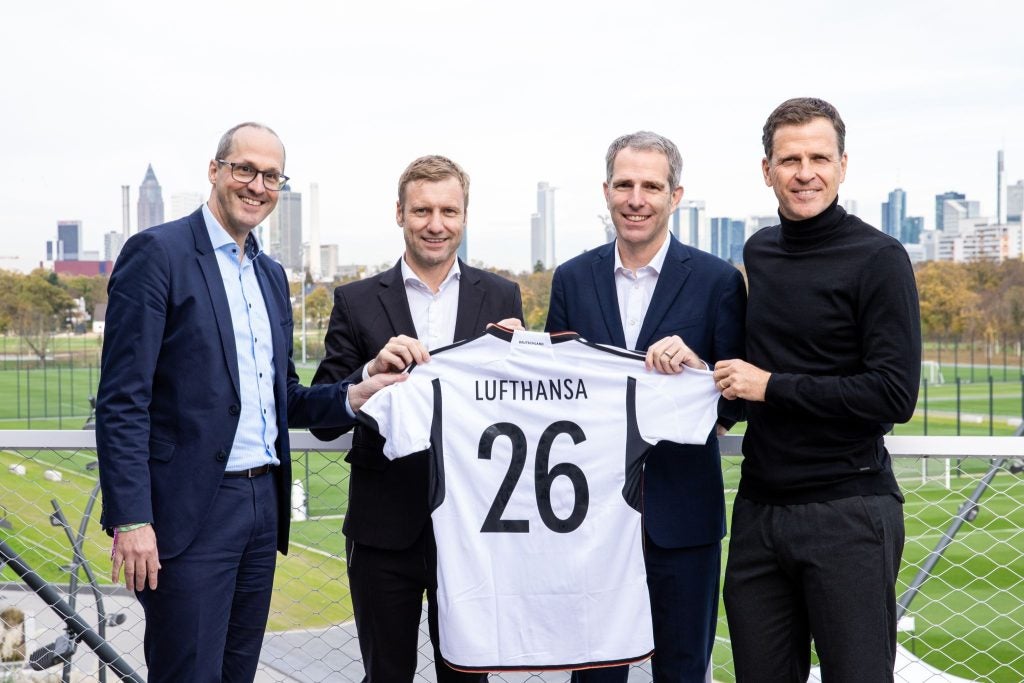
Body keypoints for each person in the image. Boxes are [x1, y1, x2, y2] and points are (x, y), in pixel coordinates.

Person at [96, 122, 401, 683]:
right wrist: (132, 517)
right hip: (190, 513)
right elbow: (121, 400)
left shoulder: (269, 274)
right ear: (215, 171)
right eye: (245, 169)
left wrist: (358, 389)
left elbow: (284, 397)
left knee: (238, 674)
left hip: (262, 508)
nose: (257, 185)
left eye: (271, 176)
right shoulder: (157, 254)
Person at [713, 97, 921, 682]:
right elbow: (755, 363)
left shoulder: (879, 258)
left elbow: (892, 396)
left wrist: (771, 388)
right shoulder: (760, 251)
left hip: (848, 512)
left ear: (843, 165)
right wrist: (713, 386)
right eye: (790, 159)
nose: (805, 172)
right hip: (758, 511)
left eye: (819, 157)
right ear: (767, 170)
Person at [311, 155, 523, 683]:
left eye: (448, 210)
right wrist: (369, 370)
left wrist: (517, 360)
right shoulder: (356, 301)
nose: (435, 224)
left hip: (473, 529)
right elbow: (323, 416)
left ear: (465, 216)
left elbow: (521, 408)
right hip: (384, 530)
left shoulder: (501, 296)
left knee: (469, 677)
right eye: (422, 210)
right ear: (399, 214)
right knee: (385, 676)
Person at [546, 131, 747, 683]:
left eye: (651, 186)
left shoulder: (718, 282)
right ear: (606, 191)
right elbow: (555, 391)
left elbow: (742, 393)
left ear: (675, 195)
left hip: (682, 519)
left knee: (683, 673)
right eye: (624, 184)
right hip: (588, 523)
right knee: (592, 674)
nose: (636, 199)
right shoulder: (571, 278)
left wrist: (701, 368)